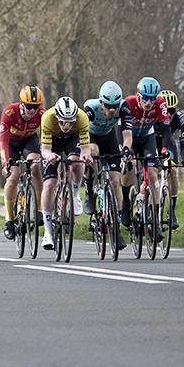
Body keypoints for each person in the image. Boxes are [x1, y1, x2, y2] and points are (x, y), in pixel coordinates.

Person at [38, 96, 94, 251]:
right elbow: (45, 150)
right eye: (62, 121)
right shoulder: (47, 118)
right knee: (49, 184)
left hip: (72, 140)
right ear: (57, 116)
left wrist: (86, 156)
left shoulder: (82, 118)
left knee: (77, 163)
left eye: (70, 121)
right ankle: (48, 231)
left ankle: (75, 194)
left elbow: (85, 148)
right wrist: (49, 156)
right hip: (52, 143)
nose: (66, 125)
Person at [82, 81, 129, 251]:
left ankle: (116, 225)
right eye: (108, 106)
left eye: (115, 106)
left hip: (109, 138)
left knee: (116, 181)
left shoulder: (124, 107)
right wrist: (85, 151)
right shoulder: (90, 108)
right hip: (91, 136)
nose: (112, 110)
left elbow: (127, 133)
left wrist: (126, 149)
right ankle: (89, 191)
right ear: (101, 102)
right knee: (93, 152)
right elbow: (81, 130)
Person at [120, 76, 170, 229]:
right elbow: (119, 129)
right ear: (139, 95)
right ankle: (126, 201)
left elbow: (166, 129)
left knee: (153, 173)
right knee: (131, 164)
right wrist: (125, 149)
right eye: (146, 98)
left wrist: (164, 149)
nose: (149, 102)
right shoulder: (128, 103)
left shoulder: (161, 103)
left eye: (152, 98)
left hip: (148, 138)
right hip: (130, 138)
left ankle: (155, 221)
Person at [0, 85, 46, 240]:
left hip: (29, 142)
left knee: (36, 167)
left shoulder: (42, 114)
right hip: (11, 144)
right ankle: (9, 218)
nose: (32, 110)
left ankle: (39, 209)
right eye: (28, 106)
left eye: (35, 107)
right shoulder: (9, 113)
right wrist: (5, 163)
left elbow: (48, 136)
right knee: (13, 177)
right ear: (21, 104)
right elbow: (3, 140)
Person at [158, 90, 184, 229]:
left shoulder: (180, 118)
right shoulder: (153, 116)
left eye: (172, 110)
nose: (169, 114)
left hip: (169, 143)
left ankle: (171, 212)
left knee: (173, 172)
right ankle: (147, 207)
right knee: (151, 174)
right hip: (152, 141)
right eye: (166, 110)